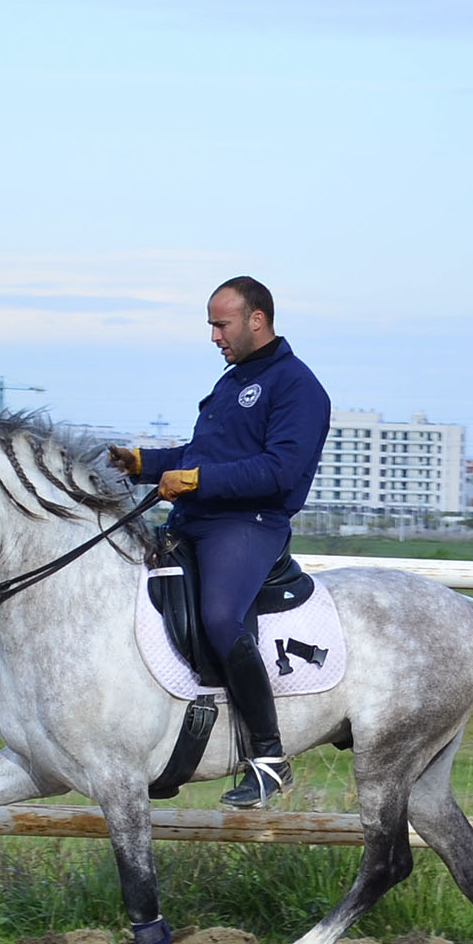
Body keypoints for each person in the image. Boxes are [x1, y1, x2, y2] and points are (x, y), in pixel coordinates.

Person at [108, 276, 331, 808]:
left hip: (249, 524)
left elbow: (280, 470)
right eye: (211, 325)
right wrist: (146, 464)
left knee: (220, 620)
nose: (213, 336)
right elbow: (204, 450)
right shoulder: (234, 382)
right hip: (196, 519)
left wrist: (195, 480)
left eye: (220, 324)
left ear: (257, 319)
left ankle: (270, 757)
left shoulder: (298, 387)